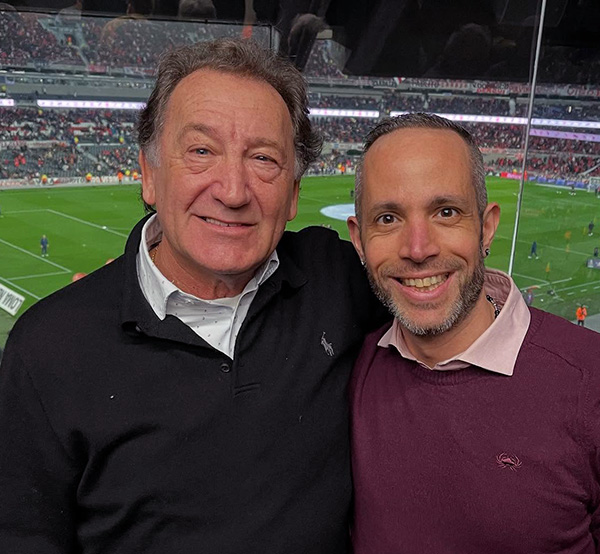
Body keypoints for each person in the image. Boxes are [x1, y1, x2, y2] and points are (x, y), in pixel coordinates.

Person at [0, 39, 387, 554]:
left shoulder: (336, 278)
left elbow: (438, 285)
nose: (233, 190)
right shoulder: (48, 348)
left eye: (264, 158)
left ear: (294, 194)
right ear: (149, 174)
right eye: (201, 151)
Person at [346, 113, 600, 552]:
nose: (418, 248)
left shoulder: (588, 378)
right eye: (387, 218)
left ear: (487, 227)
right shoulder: (351, 366)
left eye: (446, 212)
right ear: (358, 240)